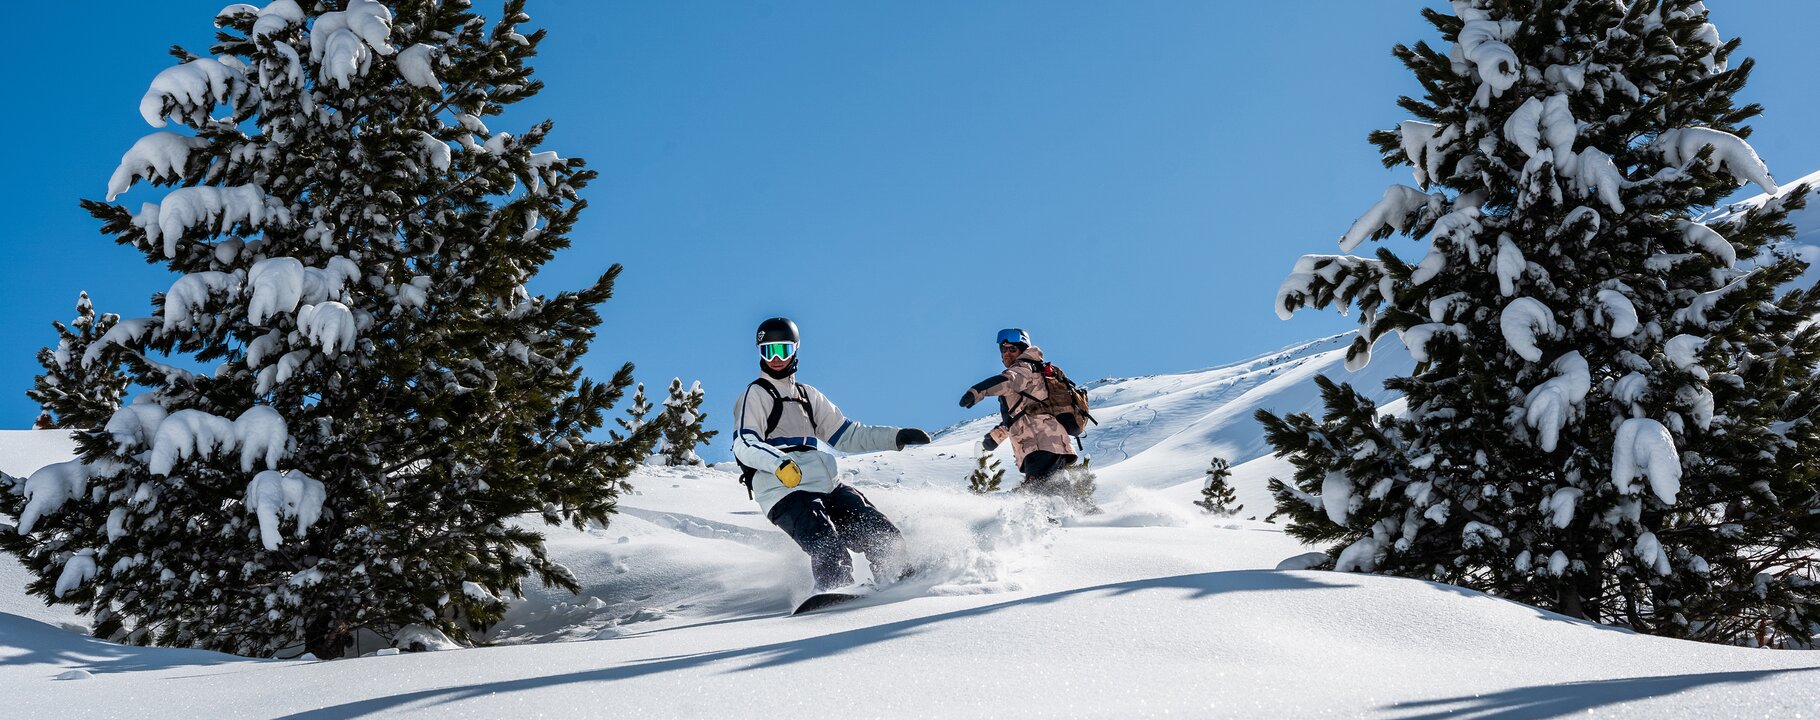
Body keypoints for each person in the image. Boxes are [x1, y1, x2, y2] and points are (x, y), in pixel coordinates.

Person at [731, 317, 933, 592]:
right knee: (826, 541)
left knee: (880, 532)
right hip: (783, 488)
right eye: (768, 351)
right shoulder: (755, 394)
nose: (776, 359)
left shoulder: (808, 395)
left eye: (783, 350)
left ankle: (899, 579)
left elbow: (847, 435)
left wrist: (896, 436)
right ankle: (833, 593)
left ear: (795, 350)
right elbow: (744, 442)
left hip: (826, 484)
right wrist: (779, 463)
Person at [958, 328, 1082, 497]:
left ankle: (1061, 521)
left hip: (1040, 444)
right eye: (1003, 350)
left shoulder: (1023, 368)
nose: (1007, 353)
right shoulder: (1030, 373)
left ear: (1023, 350)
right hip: (1047, 443)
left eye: (1012, 349)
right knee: (1057, 495)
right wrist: (994, 438)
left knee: (1039, 496)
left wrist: (977, 391)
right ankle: (1091, 519)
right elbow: (1019, 417)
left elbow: (1008, 381)